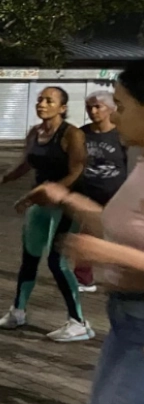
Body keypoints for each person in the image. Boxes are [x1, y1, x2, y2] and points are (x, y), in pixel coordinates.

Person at [23, 63, 144, 404]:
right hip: (125, 323)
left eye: (124, 105)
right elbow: (126, 228)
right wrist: (69, 200)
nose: (113, 111)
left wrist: (104, 253)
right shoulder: (141, 162)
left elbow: (122, 247)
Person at [0, 86, 91, 342]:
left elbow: (77, 170)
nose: (42, 104)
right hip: (39, 203)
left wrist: (51, 191)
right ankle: (18, 311)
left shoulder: (71, 134)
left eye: (49, 100)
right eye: (40, 99)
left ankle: (79, 321)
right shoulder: (35, 133)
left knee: (57, 263)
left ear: (62, 107)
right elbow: (25, 163)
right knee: (30, 257)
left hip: (65, 204)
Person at [73, 90, 128, 293]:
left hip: (116, 195)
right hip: (89, 195)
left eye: (98, 106)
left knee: (122, 239)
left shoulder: (121, 135)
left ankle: (125, 278)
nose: (93, 111)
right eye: (89, 107)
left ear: (111, 109)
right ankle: (83, 279)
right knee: (87, 237)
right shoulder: (81, 134)